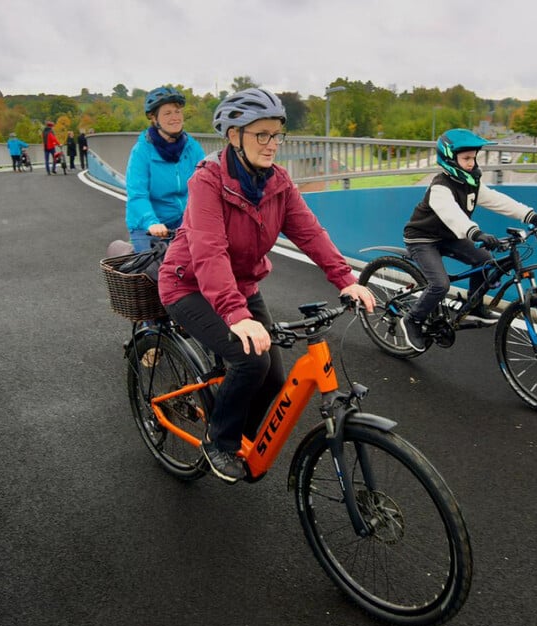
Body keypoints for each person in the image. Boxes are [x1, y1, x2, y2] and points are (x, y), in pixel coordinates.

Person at [157, 88, 375, 483]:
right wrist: (236, 315)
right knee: (250, 361)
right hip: (188, 286)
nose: (272, 144)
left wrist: (346, 279)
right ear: (233, 136)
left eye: (277, 135)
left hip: (241, 286)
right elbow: (209, 251)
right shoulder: (207, 181)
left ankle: (238, 432)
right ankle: (219, 442)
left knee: (273, 376)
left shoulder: (278, 182)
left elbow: (309, 233)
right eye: (261, 134)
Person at [399, 128, 537, 352]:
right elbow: (452, 215)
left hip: (449, 236)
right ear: (449, 159)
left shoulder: (471, 183)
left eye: (473, 157)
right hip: (422, 239)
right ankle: (412, 320)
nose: (471, 163)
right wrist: (476, 233)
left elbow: (497, 200)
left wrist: (533, 217)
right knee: (440, 284)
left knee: (485, 261)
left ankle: (473, 307)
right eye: (466, 158)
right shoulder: (440, 187)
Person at [125, 86, 205, 252]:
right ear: (154, 119)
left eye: (177, 111)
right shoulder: (142, 151)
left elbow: (206, 184)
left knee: (203, 259)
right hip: (148, 224)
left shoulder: (192, 148)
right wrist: (151, 222)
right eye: (167, 113)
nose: (175, 117)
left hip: (183, 221)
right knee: (152, 265)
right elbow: (137, 194)